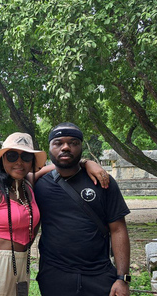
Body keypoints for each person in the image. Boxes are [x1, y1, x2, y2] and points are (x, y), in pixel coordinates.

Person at [0, 132, 107, 296]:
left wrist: (86, 163)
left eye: (26, 157)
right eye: (12, 156)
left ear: (32, 162)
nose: (19, 162)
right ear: (2, 160)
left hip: (21, 265)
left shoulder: (27, 184)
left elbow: (60, 166)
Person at [34, 123, 131, 296]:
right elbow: (6, 192)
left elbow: (118, 229)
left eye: (73, 142)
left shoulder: (103, 182)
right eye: (58, 143)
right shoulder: (38, 185)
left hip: (99, 276)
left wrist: (122, 278)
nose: (65, 147)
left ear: (81, 147)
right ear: (49, 147)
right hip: (54, 277)